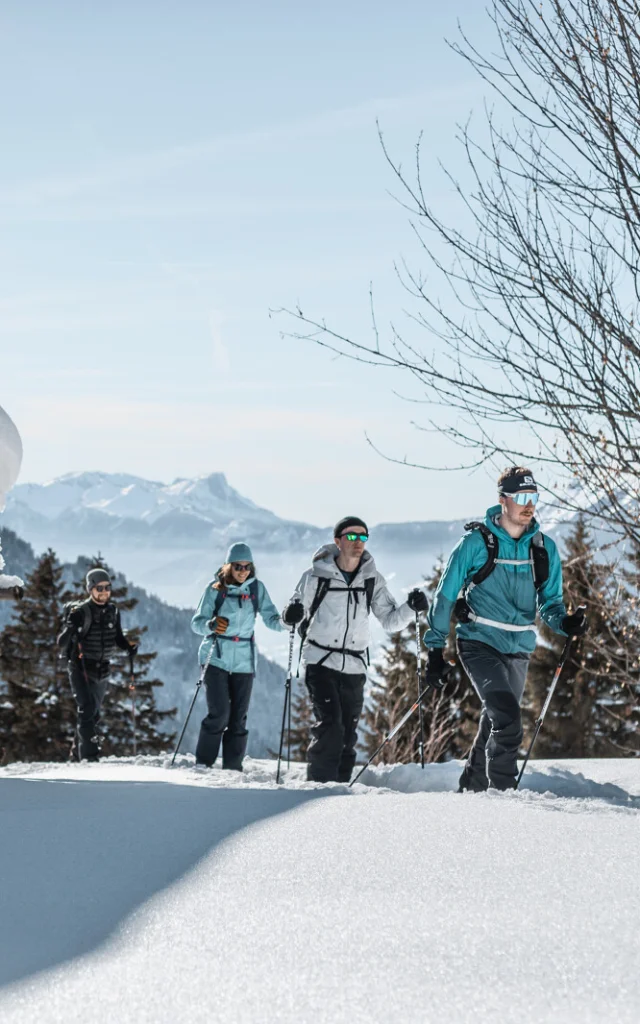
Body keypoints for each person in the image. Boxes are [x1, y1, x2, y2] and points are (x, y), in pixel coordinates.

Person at [423, 466, 588, 792]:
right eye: (521, 497)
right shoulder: (475, 543)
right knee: (509, 722)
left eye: (534, 497)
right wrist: (434, 652)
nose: (529, 505)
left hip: (519, 647)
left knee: (496, 720)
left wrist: (564, 622)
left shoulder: (543, 548)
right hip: (478, 643)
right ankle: (503, 800)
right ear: (502, 500)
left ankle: (471, 787)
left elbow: (550, 603)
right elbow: (445, 597)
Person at [282, 516, 428, 783]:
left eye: (363, 537)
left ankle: (339, 790)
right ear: (338, 541)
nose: (358, 542)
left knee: (348, 733)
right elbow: (293, 615)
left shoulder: (371, 579)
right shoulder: (316, 576)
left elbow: (390, 620)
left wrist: (412, 608)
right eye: (351, 536)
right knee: (330, 727)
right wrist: (290, 615)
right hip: (320, 661)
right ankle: (318, 788)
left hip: (354, 665)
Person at [191, 542, 283, 771]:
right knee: (219, 713)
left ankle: (233, 768)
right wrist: (211, 625)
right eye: (238, 566)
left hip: (244, 660)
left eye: (246, 566)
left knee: (239, 718)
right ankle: (204, 764)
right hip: (216, 657)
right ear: (228, 567)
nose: (243, 571)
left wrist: (288, 622)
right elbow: (197, 623)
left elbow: (272, 619)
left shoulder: (256, 590)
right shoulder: (215, 590)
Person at [57, 568, 138, 761]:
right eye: (99, 588)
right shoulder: (81, 613)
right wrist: (71, 627)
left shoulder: (113, 611)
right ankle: (89, 760)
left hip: (102, 670)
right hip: (81, 667)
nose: (104, 592)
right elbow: (61, 643)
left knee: (93, 715)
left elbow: (117, 637)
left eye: (107, 587)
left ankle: (76, 758)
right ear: (90, 589)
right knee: (86, 711)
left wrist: (128, 647)